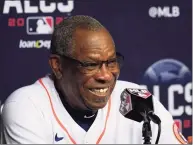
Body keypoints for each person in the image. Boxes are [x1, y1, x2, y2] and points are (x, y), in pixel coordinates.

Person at [2, 15, 188, 144]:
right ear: (57, 66)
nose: (105, 75)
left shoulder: (137, 99)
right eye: (90, 64)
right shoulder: (27, 106)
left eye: (112, 62)